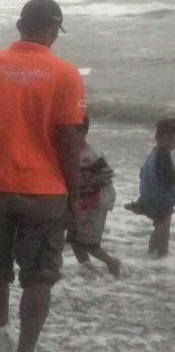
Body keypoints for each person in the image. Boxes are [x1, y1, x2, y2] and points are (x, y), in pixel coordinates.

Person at [0, 0, 85, 352]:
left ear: (19, 25)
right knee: (39, 276)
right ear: (51, 30)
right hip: (45, 193)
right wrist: (75, 197)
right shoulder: (66, 74)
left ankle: (1, 335)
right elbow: (68, 142)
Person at [66, 114, 120, 275]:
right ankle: (89, 271)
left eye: (70, 132)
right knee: (74, 240)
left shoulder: (92, 154)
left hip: (93, 204)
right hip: (78, 204)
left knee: (88, 243)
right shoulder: (71, 153)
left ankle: (112, 262)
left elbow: (107, 174)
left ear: (82, 131)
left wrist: (88, 186)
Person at [125, 118, 175, 258]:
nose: (172, 143)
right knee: (163, 235)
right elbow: (171, 180)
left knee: (157, 229)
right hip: (161, 203)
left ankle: (150, 256)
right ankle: (159, 261)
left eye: (174, 140)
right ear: (158, 137)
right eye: (170, 139)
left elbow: (145, 175)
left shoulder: (153, 153)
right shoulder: (164, 157)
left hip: (149, 200)